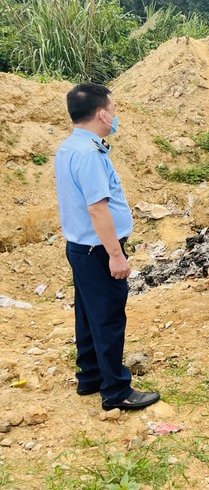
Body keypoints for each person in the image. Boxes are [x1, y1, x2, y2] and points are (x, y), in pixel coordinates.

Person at [54, 83, 160, 411]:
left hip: (81, 248)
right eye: (113, 109)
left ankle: (90, 377)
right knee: (109, 318)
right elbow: (98, 209)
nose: (115, 116)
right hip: (99, 251)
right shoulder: (88, 154)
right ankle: (116, 391)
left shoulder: (69, 147)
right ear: (101, 113)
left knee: (88, 314)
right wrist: (116, 255)